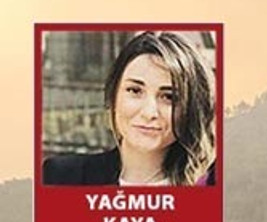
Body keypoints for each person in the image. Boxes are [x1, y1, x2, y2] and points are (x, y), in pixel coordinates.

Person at [42, 31, 216, 186]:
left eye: (169, 97)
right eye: (135, 90)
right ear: (114, 95)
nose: (149, 113)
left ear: (191, 107)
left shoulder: (215, 185)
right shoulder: (61, 177)